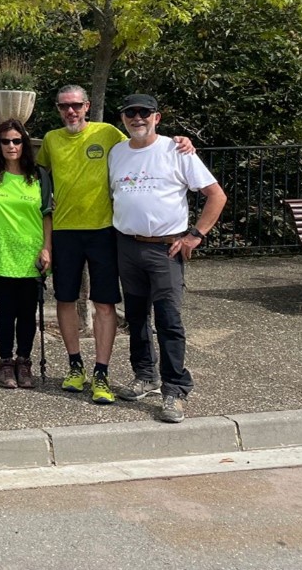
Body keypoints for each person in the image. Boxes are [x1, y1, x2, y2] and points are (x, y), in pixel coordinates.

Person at [35, 84, 194, 405]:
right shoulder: (51, 140)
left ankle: (102, 372)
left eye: (77, 105)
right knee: (65, 301)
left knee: (104, 304)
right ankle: (75, 366)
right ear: (57, 109)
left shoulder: (108, 133)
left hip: (105, 233)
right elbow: (34, 173)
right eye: (64, 106)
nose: (71, 112)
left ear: (87, 106)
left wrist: (181, 141)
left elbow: (143, 142)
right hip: (65, 232)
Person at [109, 94, 226, 423]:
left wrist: (196, 235)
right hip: (128, 245)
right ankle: (145, 376)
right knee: (135, 317)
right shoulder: (117, 153)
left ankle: (175, 388)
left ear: (156, 117)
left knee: (169, 321)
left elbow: (216, 194)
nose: (137, 118)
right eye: (130, 113)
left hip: (165, 248)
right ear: (123, 119)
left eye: (144, 113)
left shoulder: (177, 149)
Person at [0, 119, 52, 390]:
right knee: (5, 311)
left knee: (27, 312)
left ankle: (24, 362)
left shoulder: (40, 176)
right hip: (0, 253)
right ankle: (5, 362)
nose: (12, 146)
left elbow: (47, 215)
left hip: (32, 254)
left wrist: (47, 248)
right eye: (5, 141)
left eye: (17, 141)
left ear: (24, 143)